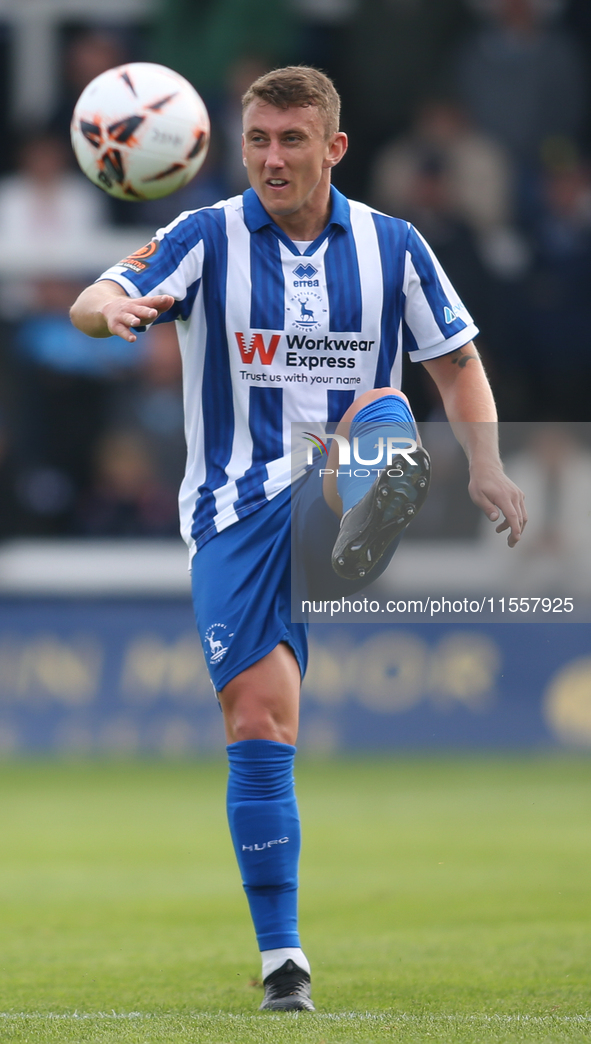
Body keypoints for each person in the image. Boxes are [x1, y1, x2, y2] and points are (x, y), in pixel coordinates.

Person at [70, 66, 526, 1012]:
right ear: (236, 148)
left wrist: (484, 465)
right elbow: (95, 293)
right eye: (257, 142)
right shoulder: (204, 236)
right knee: (258, 724)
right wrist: (110, 311)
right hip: (230, 518)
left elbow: (460, 362)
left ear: (334, 147)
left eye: (290, 140)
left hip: (332, 483)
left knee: (378, 411)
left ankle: (369, 486)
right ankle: (284, 961)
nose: (271, 159)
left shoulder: (393, 247)